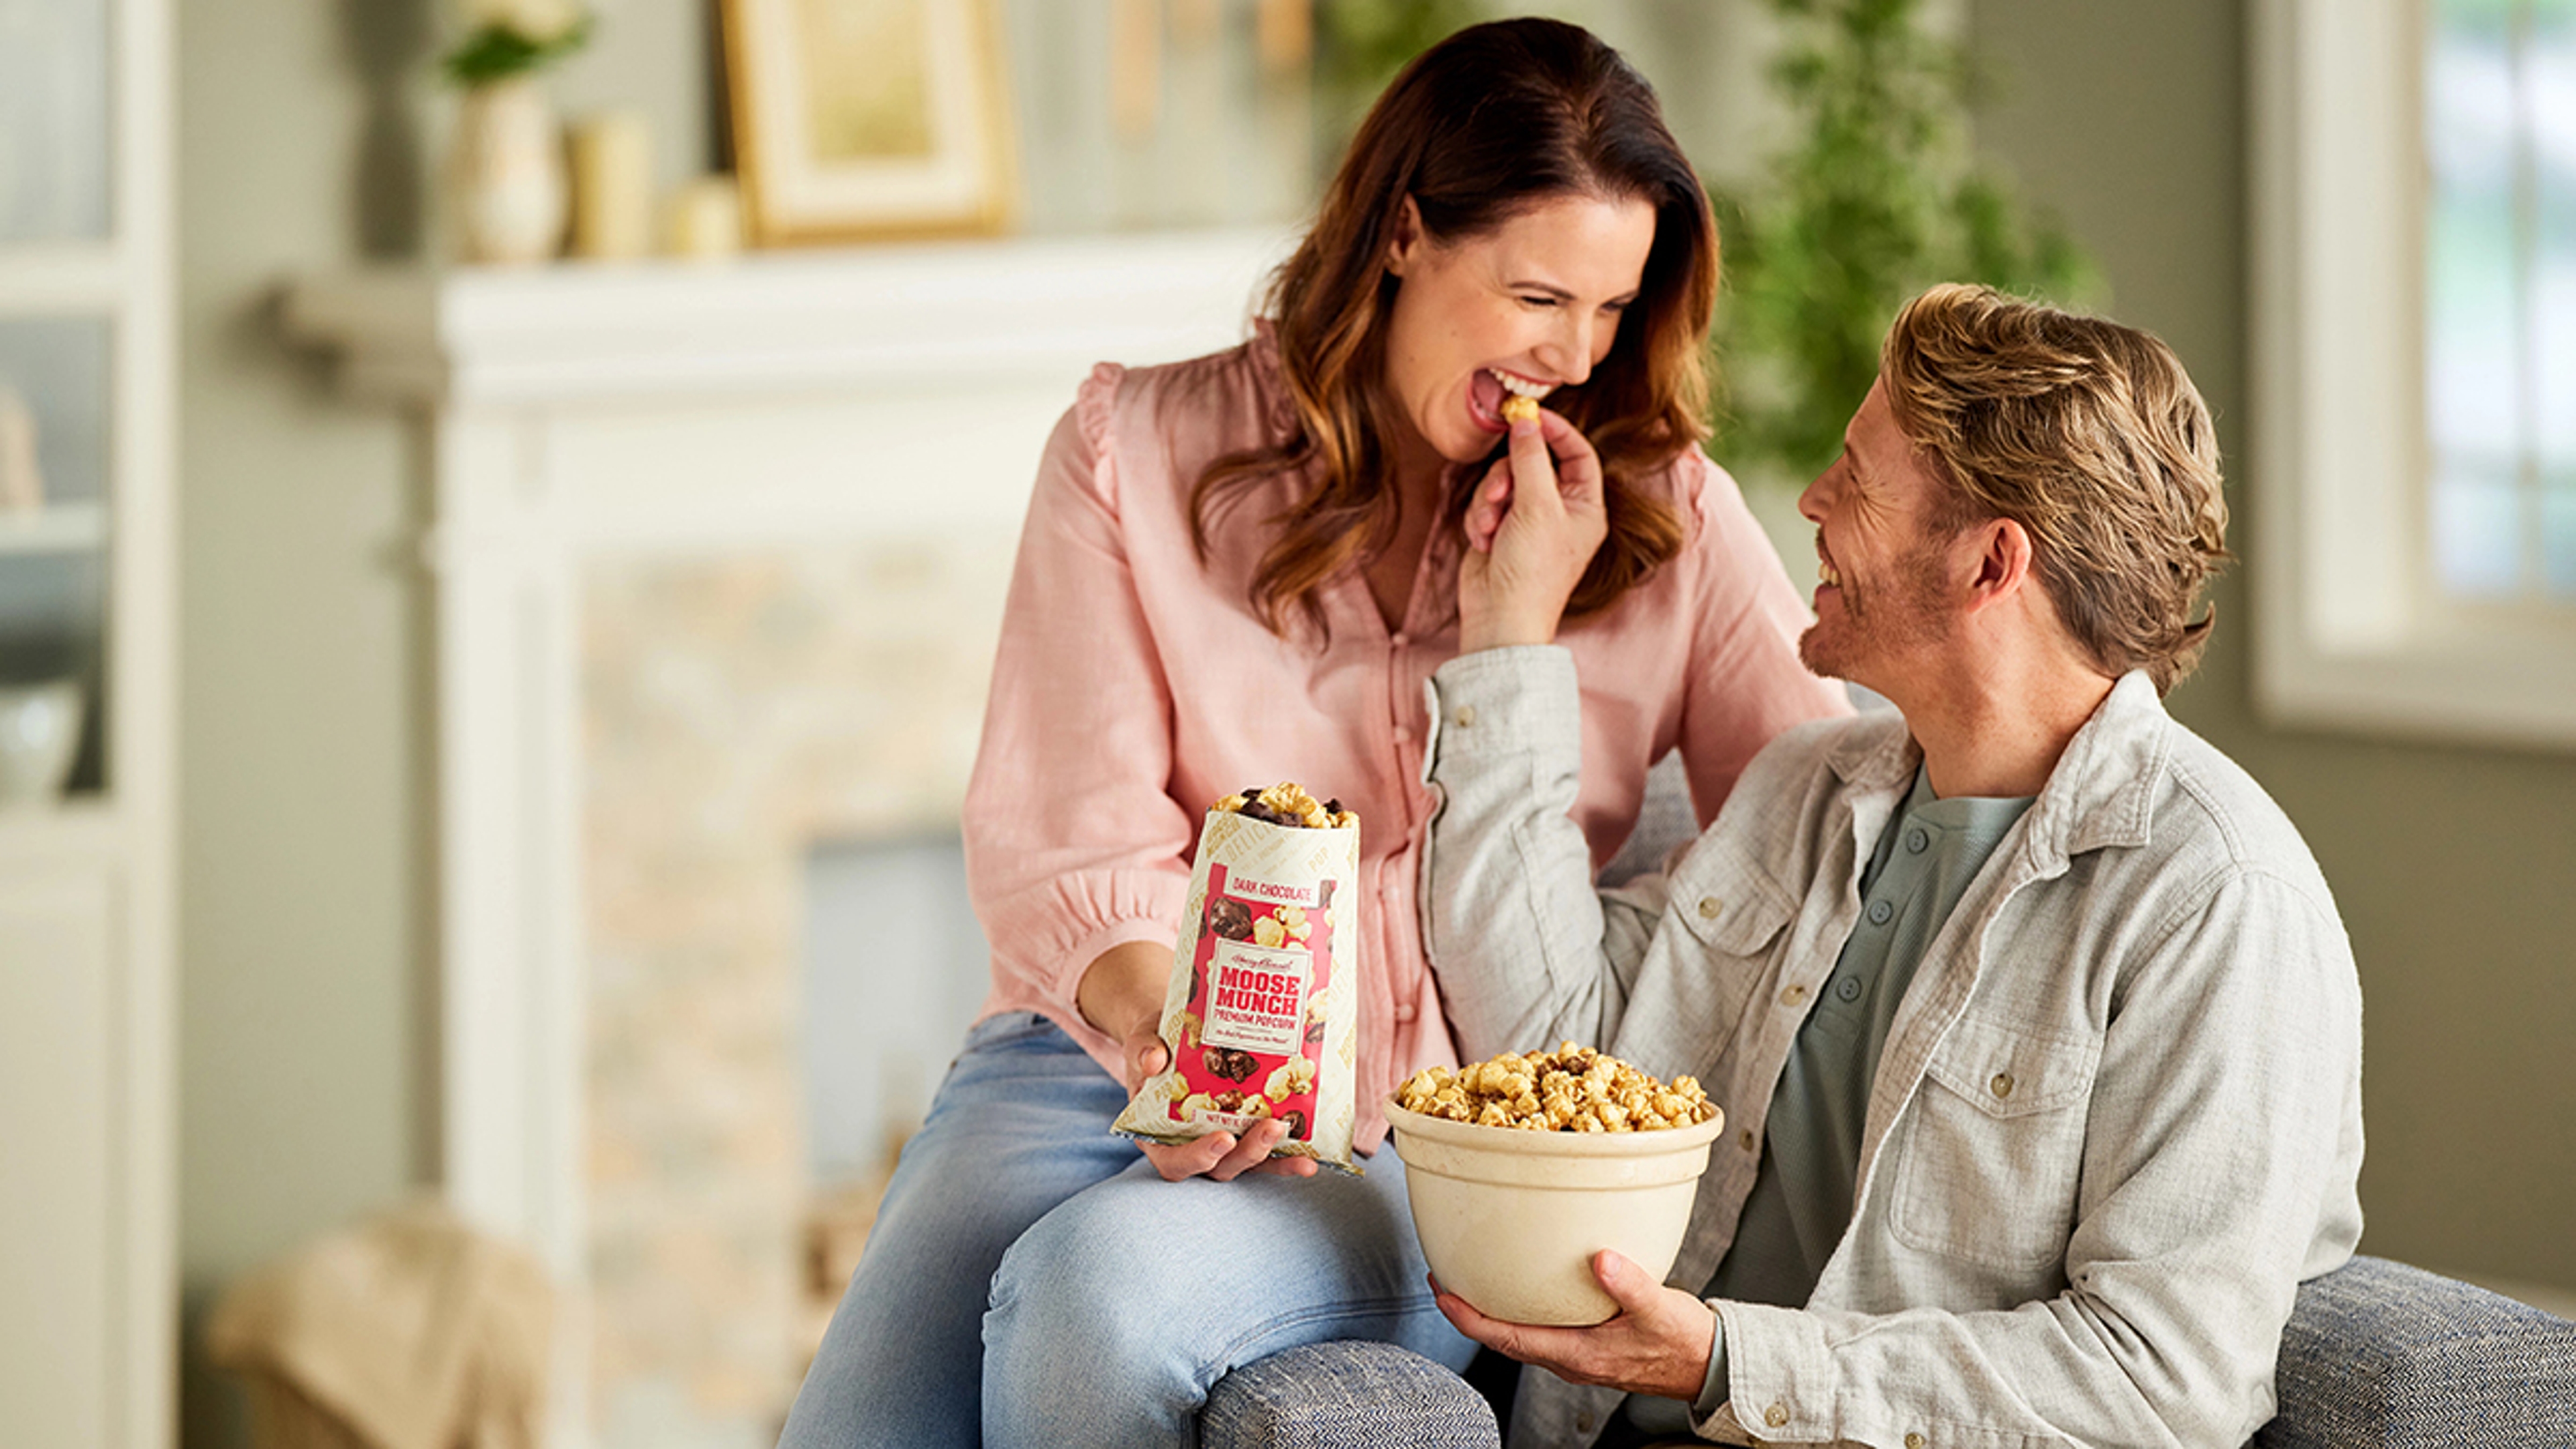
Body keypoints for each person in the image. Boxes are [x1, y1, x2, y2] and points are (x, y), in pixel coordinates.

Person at [777, 18, 1849, 1449]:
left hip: (1418, 1133)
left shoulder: (1665, 519)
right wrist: (1202, 1046)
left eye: (1610, 310)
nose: (1575, 355)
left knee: (1087, 1299)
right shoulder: (1132, 453)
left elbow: (1825, 825)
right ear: (1405, 232)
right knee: (859, 1428)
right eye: (1537, 296)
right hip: (1096, 1054)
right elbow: (1066, 834)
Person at [1419, 284, 2365, 1448]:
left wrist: (1730, 1364)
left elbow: (2164, 1378)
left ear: (1989, 565)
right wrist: (1509, 632)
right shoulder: (1802, 790)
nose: (1810, 500)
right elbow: (1552, 1047)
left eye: (1857, 483)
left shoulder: (2214, 903)